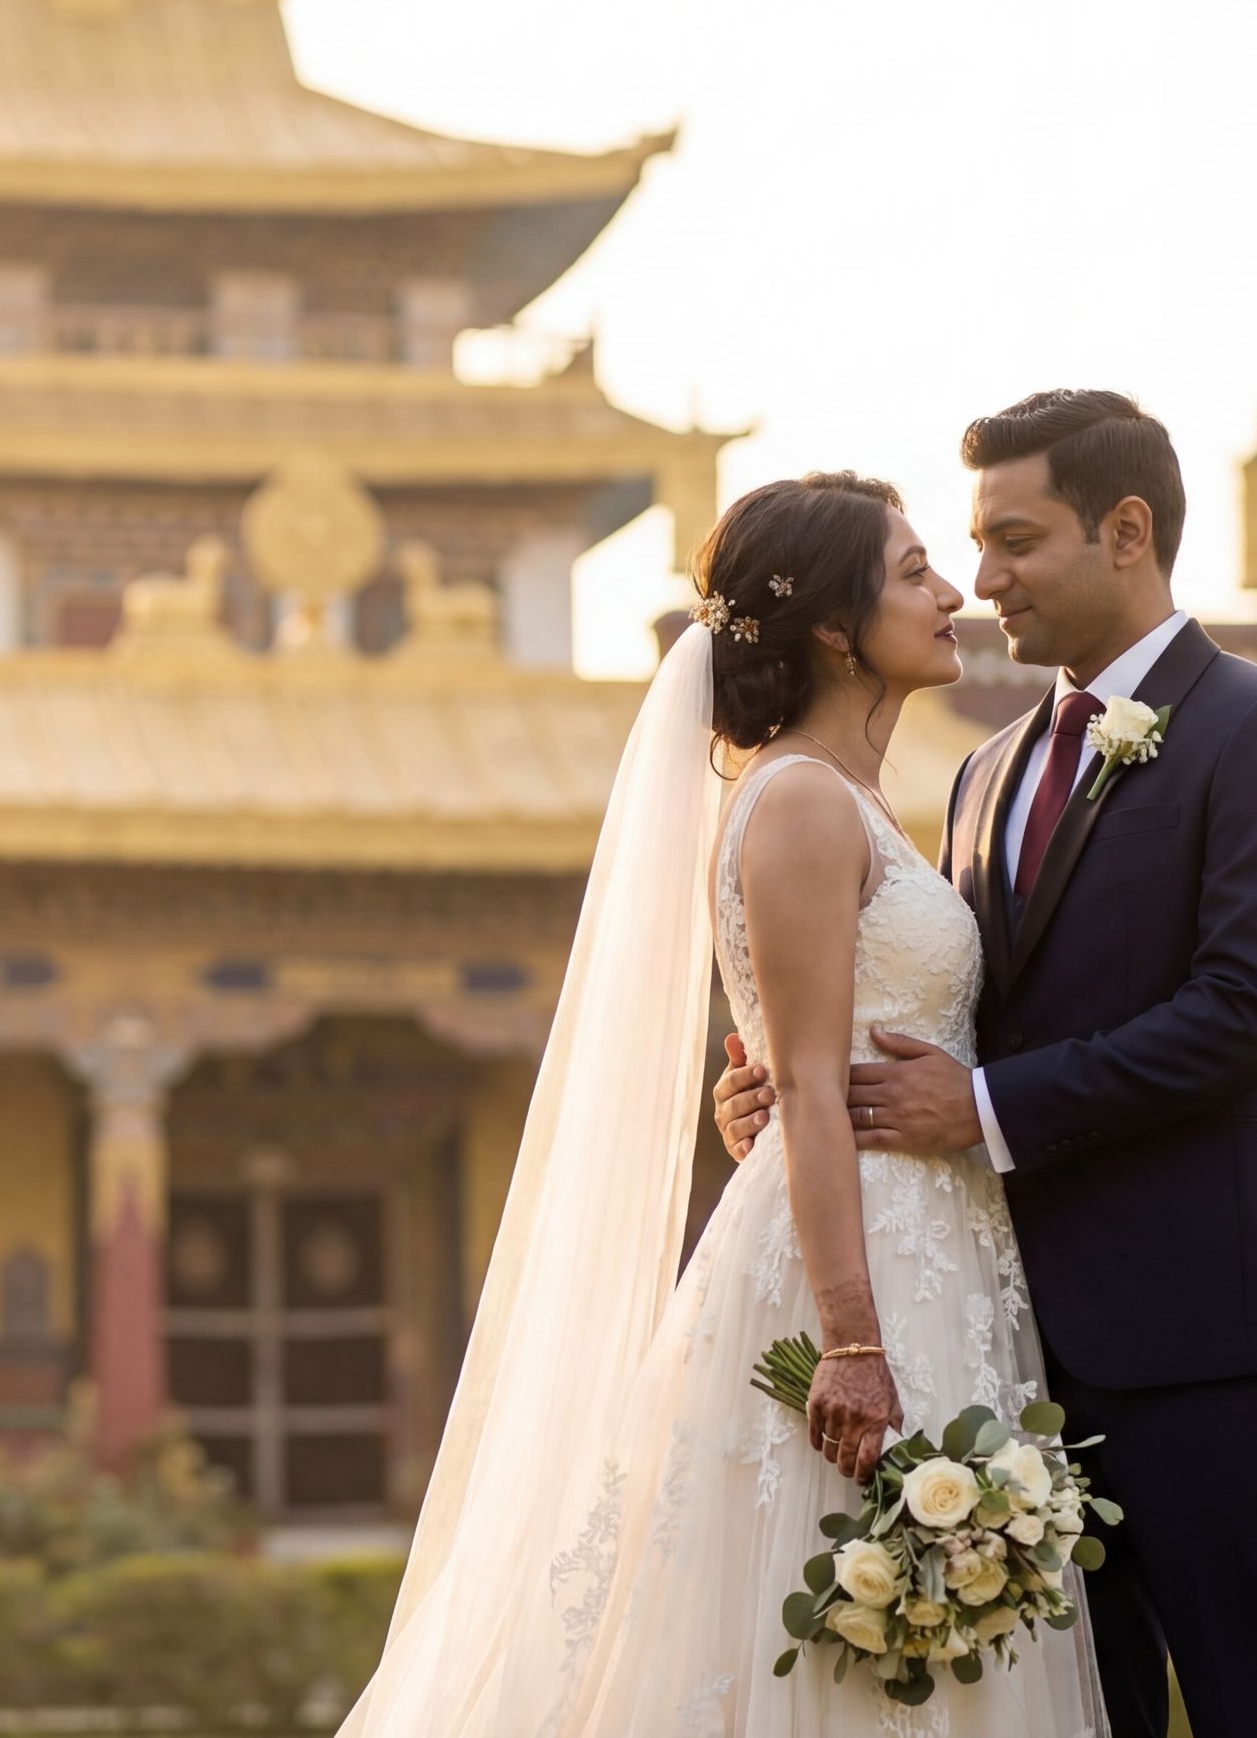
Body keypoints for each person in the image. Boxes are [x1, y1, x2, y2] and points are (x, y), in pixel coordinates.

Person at [340, 471, 1103, 1735]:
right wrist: (854, 1341)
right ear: (831, 626)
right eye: (915, 571)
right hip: (855, 1273)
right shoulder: (800, 799)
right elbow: (806, 1078)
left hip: (937, 1247)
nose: (951, 591)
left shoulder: (869, 800)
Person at [713, 391, 1257, 1736]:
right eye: (962, 548)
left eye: (1015, 541)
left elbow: (1250, 1008)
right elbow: (953, 1006)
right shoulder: (986, 769)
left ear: (1125, 531)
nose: (980, 583)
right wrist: (795, 1089)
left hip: (1204, 1338)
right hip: (1000, 1349)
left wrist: (986, 1106)